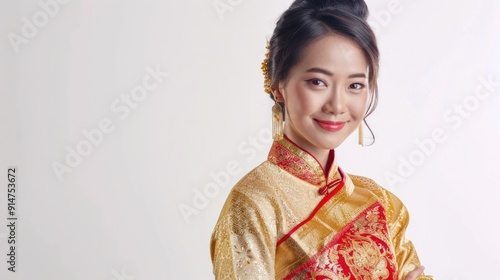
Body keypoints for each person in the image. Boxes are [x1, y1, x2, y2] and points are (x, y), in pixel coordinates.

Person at [210, 0, 433, 279]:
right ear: (278, 85)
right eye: (318, 81)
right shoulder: (254, 203)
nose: (337, 105)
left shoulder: (380, 202)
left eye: (355, 85)